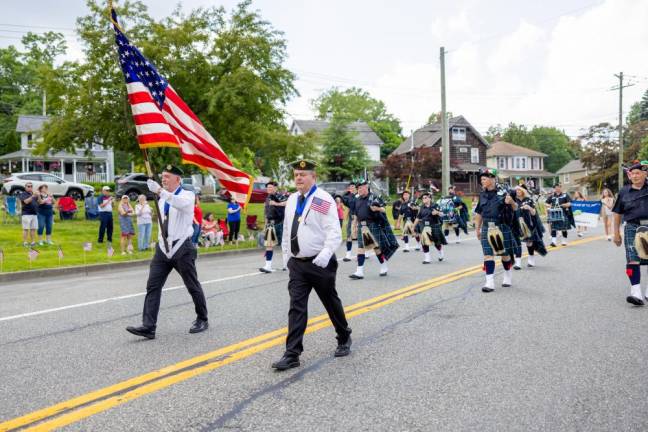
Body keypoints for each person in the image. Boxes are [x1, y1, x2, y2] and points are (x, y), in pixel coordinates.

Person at [272, 159, 351, 371]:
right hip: (298, 264)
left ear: (313, 177)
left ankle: (344, 335)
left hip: (319, 262)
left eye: (303, 174)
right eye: (296, 174)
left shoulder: (321, 199)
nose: (298, 177)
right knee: (296, 307)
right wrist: (287, 257)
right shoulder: (291, 200)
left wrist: (326, 253)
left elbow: (333, 231)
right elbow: (288, 229)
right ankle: (292, 354)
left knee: (330, 301)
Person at [126, 165, 208, 339]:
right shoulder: (162, 198)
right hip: (163, 249)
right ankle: (149, 326)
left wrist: (160, 191)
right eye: (162, 176)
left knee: (192, 285)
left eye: (167, 176)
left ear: (177, 179)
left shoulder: (187, 195)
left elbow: (178, 203)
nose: (163, 179)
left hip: (182, 248)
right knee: (153, 286)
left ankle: (202, 318)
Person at [473, 168, 518, 293]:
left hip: (501, 226)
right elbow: (479, 213)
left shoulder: (504, 192)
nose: (482, 181)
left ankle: (507, 274)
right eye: (481, 179)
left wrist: (512, 202)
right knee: (488, 255)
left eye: (484, 179)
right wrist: (477, 229)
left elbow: (515, 208)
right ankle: (489, 282)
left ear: (492, 178)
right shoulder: (482, 194)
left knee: (504, 255)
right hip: (487, 226)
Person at [612, 160, 648, 305]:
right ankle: (636, 291)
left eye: (638, 173)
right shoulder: (624, 192)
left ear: (645, 174)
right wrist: (616, 233)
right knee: (632, 259)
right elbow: (617, 213)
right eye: (632, 174)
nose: (634, 176)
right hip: (632, 227)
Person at [349, 180, 399, 279]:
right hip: (361, 226)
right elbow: (355, 215)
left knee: (376, 248)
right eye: (358, 188)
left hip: (372, 225)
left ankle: (383, 265)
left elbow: (383, 209)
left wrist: (377, 209)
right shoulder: (357, 200)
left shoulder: (374, 197)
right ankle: (359, 272)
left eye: (360, 188)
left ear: (366, 187)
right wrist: (353, 227)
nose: (359, 190)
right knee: (360, 248)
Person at [513, 185, 547, 268]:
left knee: (529, 242)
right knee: (517, 243)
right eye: (516, 190)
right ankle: (518, 263)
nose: (517, 192)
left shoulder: (529, 200)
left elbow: (534, 213)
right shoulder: (513, 200)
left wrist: (529, 208)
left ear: (523, 191)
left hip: (528, 223)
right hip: (516, 223)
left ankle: (531, 258)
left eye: (519, 190)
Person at [260, 181, 287, 273]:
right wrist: (265, 226)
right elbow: (266, 213)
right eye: (268, 188)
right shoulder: (267, 199)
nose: (269, 189)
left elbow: (287, 203)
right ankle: (268, 266)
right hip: (270, 224)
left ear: (275, 188)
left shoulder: (280, 196)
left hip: (280, 223)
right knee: (269, 245)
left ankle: (286, 264)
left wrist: (276, 203)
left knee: (285, 245)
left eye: (270, 187)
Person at [412, 192, 447, 263]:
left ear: (430, 198)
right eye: (423, 198)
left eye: (425, 198)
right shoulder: (422, 207)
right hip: (424, 227)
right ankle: (427, 258)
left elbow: (443, 214)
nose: (424, 199)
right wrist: (413, 227)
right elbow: (418, 218)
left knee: (437, 243)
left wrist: (437, 212)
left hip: (434, 226)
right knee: (424, 242)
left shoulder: (435, 205)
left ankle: (440, 252)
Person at [341, 182, 357, 261]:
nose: (352, 187)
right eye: (350, 186)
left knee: (364, 235)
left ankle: (366, 252)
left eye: (353, 186)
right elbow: (343, 199)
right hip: (352, 217)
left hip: (361, 218)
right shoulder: (348, 196)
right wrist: (348, 192)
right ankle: (348, 254)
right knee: (349, 235)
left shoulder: (359, 195)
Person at [19, 182, 38, 247]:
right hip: (26, 214)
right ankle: (25, 242)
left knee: (33, 229)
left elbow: (39, 202)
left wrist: (39, 195)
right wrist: (33, 196)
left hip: (34, 214)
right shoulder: (23, 194)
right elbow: (26, 201)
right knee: (26, 229)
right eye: (28, 186)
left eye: (31, 186)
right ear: (25, 187)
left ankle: (33, 242)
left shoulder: (34, 194)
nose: (30, 188)